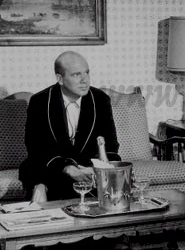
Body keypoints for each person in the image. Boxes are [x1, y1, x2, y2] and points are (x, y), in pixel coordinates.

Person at [19, 51, 120, 202]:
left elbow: (110, 144)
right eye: (76, 74)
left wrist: (95, 168)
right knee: (32, 166)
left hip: (88, 167)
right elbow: (36, 147)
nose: (85, 80)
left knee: (115, 174)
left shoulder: (100, 99)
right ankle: (40, 188)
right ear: (60, 79)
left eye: (86, 72)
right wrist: (68, 169)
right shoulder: (40, 101)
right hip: (55, 167)